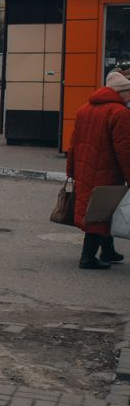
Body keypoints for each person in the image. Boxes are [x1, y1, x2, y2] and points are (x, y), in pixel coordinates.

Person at [66, 70, 130, 269]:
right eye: (128, 92)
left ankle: (108, 251)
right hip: (106, 171)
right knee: (99, 212)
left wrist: (71, 170)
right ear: (121, 92)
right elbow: (125, 149)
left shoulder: (84, 109)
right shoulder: (120, 113)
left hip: (85, 169)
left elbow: (73, 143)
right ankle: (87, 258)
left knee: (99, 211)